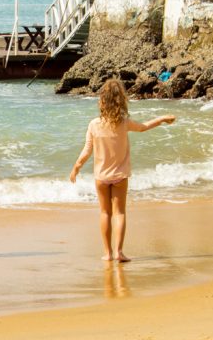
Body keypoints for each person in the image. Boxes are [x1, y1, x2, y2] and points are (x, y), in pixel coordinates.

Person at [68, 78, 175, 262]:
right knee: (119, 213)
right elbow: (143, 127)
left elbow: (87, 150)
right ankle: (119, 252)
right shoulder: (124, 122)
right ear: (121, 100)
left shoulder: (94, 124)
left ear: (102, 101)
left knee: (104, 213)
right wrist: (162, 119)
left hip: (101, 177)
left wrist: (76, 167)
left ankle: (108, 253)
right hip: (120, 176)